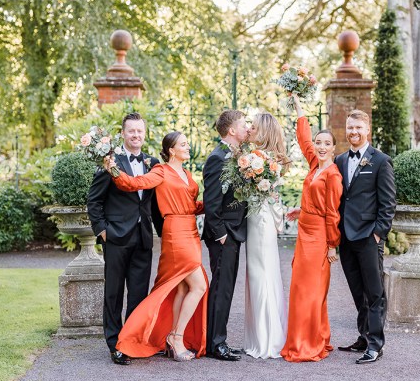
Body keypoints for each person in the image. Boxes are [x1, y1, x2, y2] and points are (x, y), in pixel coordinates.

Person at [104, 131, 208, 362]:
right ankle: (176, 337)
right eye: (183, 144)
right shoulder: (160, 171)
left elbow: (191, 205)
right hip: (175, 233)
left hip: (190, 229)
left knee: (182, 288)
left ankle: (172, 337)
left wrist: (216, 201)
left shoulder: (187, 174)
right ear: (171, 150)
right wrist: (112, 168)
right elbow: (133, 183)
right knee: (199, 285)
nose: (188, 146)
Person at [87, 112, 163, 365]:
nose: (136, 135)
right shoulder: (110, 162)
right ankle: (113, 343)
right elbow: (94, 200)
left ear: (144, 133)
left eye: (140, 131)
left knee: (139, 294)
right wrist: (102, 230)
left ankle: (130, 341)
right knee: (114, 293)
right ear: (122, 133)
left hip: (143, 237)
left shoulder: (152, 163)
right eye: (131, 131)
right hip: (117, 237)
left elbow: (154, 205)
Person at [280, 95, 343, 362]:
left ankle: (308, 344)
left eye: (326, 143)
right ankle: (315, 336)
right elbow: (303, 139)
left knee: (310, 290)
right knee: (299, 288)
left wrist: (331, 245)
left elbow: (332, 213)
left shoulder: (333, 174)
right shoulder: (315, 165)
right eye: (318, 143)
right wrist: (298, 108)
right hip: (304, 233)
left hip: (319, 239)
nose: (320, 146)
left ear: (333, 148)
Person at [335, 109, 396, 364]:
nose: (354, 132)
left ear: (367, 129)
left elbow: (388, 202)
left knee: (374, 293)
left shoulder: (381, 161)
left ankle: (375, 344)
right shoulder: (339, 160)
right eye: (350, 128)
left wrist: (378, 234)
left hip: (369, 238)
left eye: (358, 128)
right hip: (346, 240)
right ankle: (363, 336)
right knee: (357, 292)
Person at [202, 110, 249, 361]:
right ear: (231, 130)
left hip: (234, 231)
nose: (247, 128)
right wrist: (220, 234)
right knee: (222, 288)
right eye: (244, 125)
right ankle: (215, 344)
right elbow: (211, 201)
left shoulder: (237, 156)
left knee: (226, 288)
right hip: (224, 234)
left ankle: (218, 339)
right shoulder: (217, 158)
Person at [243, 112, 289, 359]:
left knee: (260, 275)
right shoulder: (268, 158)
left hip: (260, 221)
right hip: (262, 218)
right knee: (264, 274)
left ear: (264, 132)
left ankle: (265, 339)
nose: (249, 129)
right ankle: (266, 335)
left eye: (253, 126)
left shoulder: (258, 159)